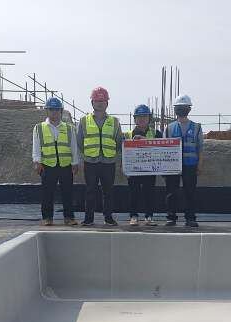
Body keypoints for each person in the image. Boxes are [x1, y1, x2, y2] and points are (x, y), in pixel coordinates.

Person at [77, 87, 123, 226]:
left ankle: (108, 217)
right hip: (90, 162)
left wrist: (113, 155)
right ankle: (88, 218)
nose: (100, 104)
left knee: (108, 191)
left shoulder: (114, 122)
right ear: (92, 103)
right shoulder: (84, 121)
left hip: (108, 162)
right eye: (97, 101)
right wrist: (87, 155)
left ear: (107, 103)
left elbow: (118, 141)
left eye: (102, 101)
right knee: (90, 191)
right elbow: (80, 141)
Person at [32, 96, 79, 226]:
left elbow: (73, 146)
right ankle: (47, 218)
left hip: (65, 164)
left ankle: (69, 217)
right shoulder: (39, 128)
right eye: (51, 109)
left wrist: (75, 163)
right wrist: (37, 161)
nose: (54, 112)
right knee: (47, 193)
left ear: (61, 111)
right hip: (47, 165)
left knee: (67, 192)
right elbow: (36, 145)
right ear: (47, 111)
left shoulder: (69, 128)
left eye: (57, 110)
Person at [163, 94, 204, 228]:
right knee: (171, 192)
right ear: (175, 109)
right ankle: (171, 218)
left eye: (184, 107)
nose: (182, 109)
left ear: (189, 109)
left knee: (190, 192)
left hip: (190, 165)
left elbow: (200, 148)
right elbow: (163, 148)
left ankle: (190, 218)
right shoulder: (169, 128)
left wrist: (199, 164)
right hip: (172, 166)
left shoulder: (196, 127)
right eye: (180, 107)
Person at [124, 104, 162, 226]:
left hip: (150, 169)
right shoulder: (128, 134)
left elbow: (161, 149)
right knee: (133, 193)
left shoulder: (156, 133)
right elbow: (123, 151)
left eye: (144, 117)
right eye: (139, 117)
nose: (141, 119)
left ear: (149, 118)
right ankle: (133, 216)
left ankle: (149, 217)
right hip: (133, 169)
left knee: (149, 193)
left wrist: (144, 140)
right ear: (135, 119)